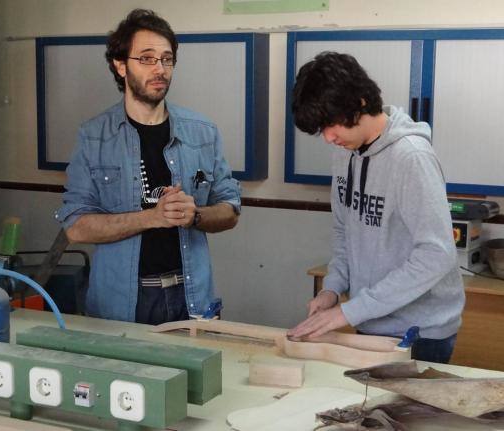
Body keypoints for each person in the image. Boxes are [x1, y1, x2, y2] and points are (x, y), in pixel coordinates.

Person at [55, 9, 241, 324]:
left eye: (167, 59)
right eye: (147, 58)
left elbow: (231, 209)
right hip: (121, 305)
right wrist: (152, 217)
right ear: (120, 64)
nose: (160, 69)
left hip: (192, 298)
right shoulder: (94, 136)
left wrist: (195, 215)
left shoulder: (202, 132)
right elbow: (75, 226)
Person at [287, 51, 465, 363]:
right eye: (321, 129)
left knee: (404, 413)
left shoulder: (411, 158)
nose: (328, 138)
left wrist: (350, 310)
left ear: (360, 103)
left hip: (419, 332)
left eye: (331, 124)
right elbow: (345, 231)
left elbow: (436, 254)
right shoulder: (345, 152)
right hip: (370, 320)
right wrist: (332, 289)